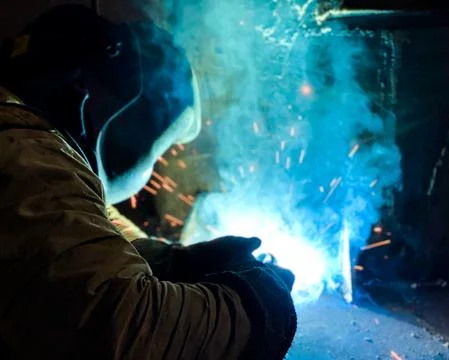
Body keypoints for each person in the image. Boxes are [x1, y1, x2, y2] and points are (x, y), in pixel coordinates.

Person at [0, 4, 297, 360]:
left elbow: (55, 256)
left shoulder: (20, 139)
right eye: (155, 154)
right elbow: (128, 329)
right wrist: (260, 301)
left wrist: (163, 261)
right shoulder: (24, 150)